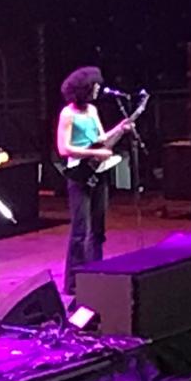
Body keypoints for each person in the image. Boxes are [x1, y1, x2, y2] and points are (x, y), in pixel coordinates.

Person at [56, 66, 133, 296]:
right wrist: (93, 154)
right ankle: (73, 282)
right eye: (95, 86)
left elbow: (101, 139)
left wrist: (121, 129)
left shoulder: (92, 111)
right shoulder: (68, 114)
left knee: (98, 229)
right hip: (78, 174)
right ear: (85, 89)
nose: (98, 89)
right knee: (80, 229)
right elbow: (63, 148)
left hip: (98, 173)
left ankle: (96, 273)